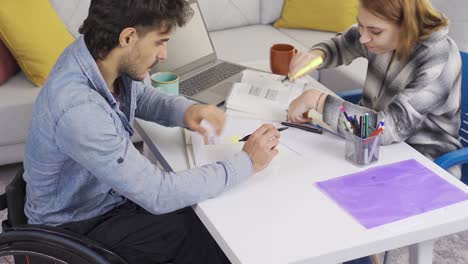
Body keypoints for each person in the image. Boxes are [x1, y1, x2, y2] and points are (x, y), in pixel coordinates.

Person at [23, 0, 281, 263]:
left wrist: (186, 111)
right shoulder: (79, 110)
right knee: (204, 239)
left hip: (106, 199)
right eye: (160, 41)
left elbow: (140, 97)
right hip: (75, 227)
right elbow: (159, 194)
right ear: (128, 37)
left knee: (207, 211)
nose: (164, 55)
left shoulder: (98, 55)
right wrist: (247, 162)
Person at [288, 0, 463, 178]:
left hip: (426, 163)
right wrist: (316, 56)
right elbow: (342, 44)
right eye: (361, 25)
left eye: (375, 31)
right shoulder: (380, 36)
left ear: (406, 24)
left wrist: (318, 102)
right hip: (372, 148)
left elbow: (388, 128)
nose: (363, 38)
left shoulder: (438, 58)